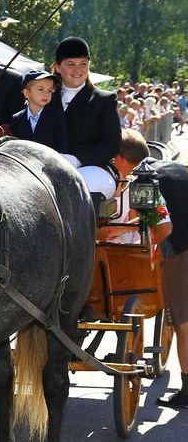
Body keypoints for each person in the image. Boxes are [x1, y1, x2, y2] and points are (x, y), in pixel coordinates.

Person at [107, 130, 188, 408]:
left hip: (181, 252)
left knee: (183, 324)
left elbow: (164, 228)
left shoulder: (143, 180)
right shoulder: (173, 167)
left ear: (120, 159)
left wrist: (147, 251)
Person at [53, 37, 121, 200]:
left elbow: (112, 143)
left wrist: (77, 159)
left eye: (83, 63)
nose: (78, 69)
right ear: (57, 67)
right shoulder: (44, 97)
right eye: (71, 64)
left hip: (91, 167)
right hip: (47, 165)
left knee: (77, 188)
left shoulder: (104, 100)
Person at [9, 71, 68, 153]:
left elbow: (62, 145)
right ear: (27, 93)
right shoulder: (17, 118)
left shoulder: (56, 116)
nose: (46, 94)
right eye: (40, 89)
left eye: (50, 91)